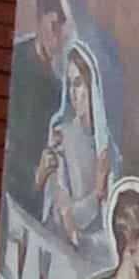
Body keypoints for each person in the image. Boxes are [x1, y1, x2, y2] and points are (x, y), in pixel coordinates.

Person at [41, 42, 119, 257]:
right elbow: (65, 219)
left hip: (98, 254)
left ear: (94, 88)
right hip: (61, 252)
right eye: (70, 85)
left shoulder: (109, 148)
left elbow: (112, 227)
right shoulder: (61, 137)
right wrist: (97, 193)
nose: (74, 94)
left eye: (79, 84)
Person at [4, 0, 67, 211]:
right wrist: (33, 175)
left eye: (61, 30)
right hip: (10, 193)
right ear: (39, 19)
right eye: (53, 27)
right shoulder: (16, 62)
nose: (57, 38)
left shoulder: (56, 87)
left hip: (36, 202)